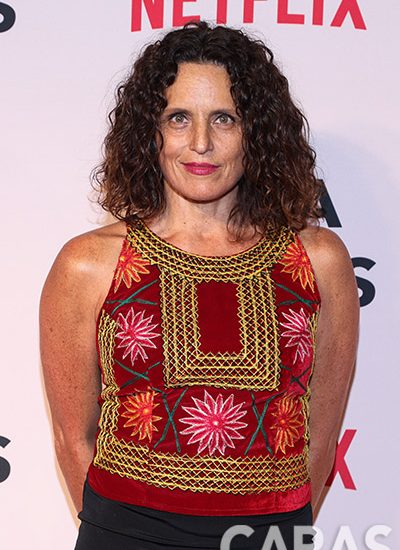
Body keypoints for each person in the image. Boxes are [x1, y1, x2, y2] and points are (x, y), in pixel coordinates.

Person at [39, 20, 359, 550]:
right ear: (151, 131)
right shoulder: (89, 264)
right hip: (126, 534)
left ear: (257, 132)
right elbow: (73, 438)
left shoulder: (318, 260)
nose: (201, 143)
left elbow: (320, 440)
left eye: (225, 119)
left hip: (271, 534)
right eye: (179, 118)